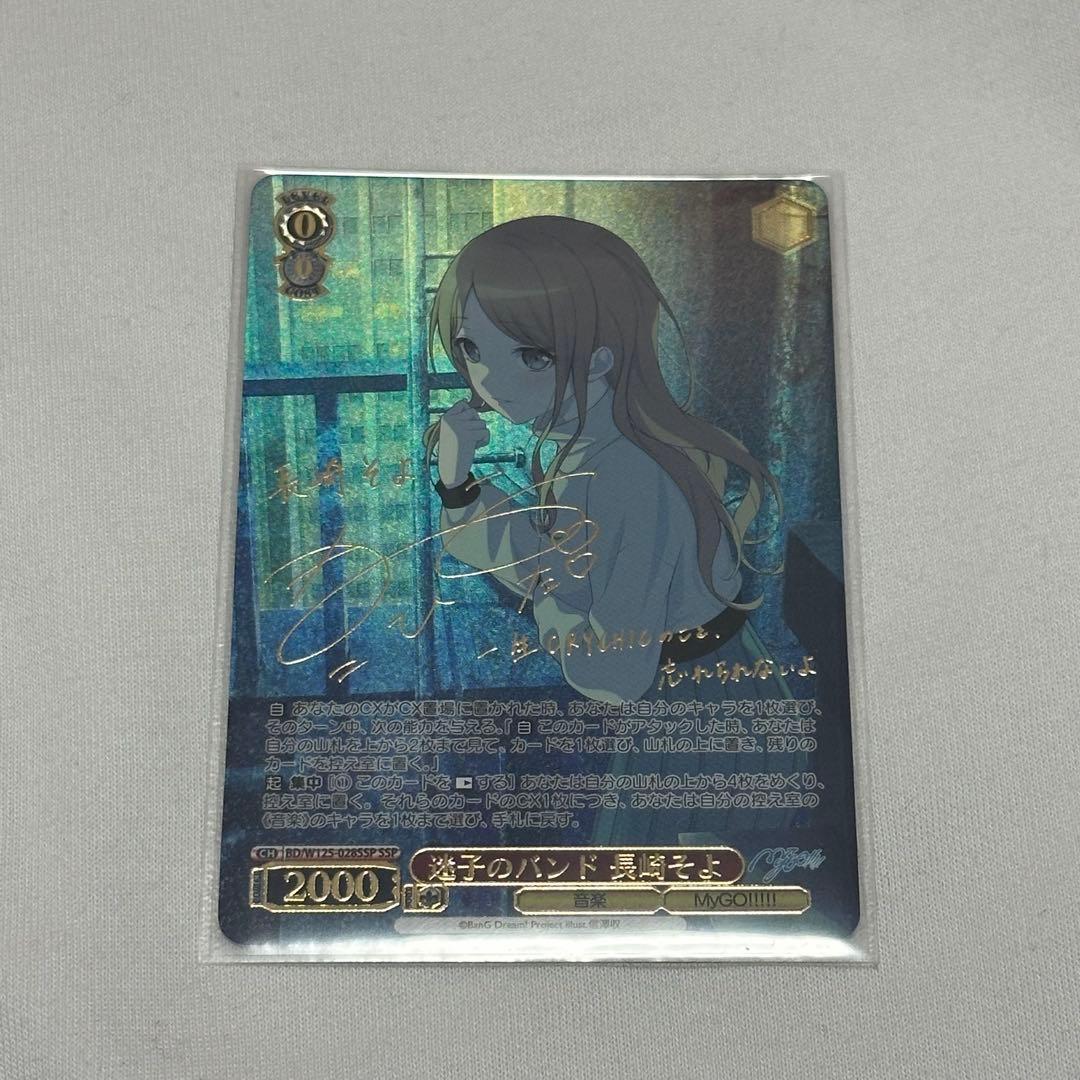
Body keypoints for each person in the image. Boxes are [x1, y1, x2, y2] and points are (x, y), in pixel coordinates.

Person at [425, 214, 787, 708]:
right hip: (689, 689)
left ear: (600, 359)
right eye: (471, 348)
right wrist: (457, 486)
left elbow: (613, 672)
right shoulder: (593, 441)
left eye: (532, 356)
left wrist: (551, 607)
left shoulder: (624, 471)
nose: (488, 379)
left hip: (691, 700)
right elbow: (559, 565)